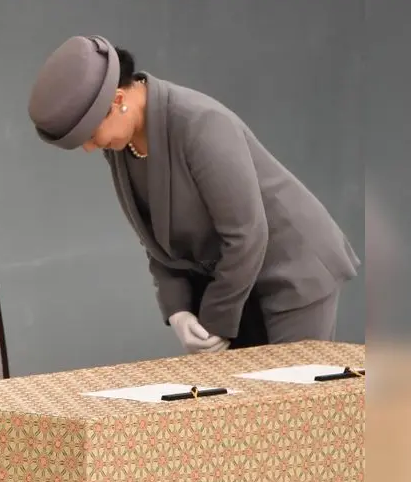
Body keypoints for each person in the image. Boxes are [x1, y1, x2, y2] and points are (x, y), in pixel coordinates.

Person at [26, 35, 361, 353]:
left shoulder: (199, 124)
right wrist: (179, 310)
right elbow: (156, 241)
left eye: (90, 134)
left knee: (288, 406)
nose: (88, 148)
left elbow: (246, 234)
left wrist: (215, 319)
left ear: (117, 101)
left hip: (292, 272)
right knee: (235, 407)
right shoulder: (121, 141)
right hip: (235, 282)